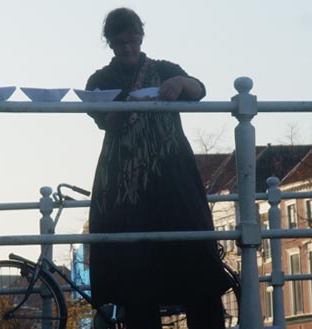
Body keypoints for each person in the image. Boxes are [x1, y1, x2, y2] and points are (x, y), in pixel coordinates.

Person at [86, 8, 232, 329]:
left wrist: (180, 83)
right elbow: (103, 121)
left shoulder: (165, 69)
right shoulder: (101, 80)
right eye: (121, 42)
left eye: (133, 40)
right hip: (126, 184)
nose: (128, 47)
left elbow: (199, 89)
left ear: (141, 37)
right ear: (109, 43)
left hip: (172, 177)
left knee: (193, 255)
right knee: (135, 272)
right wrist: (127, 108)